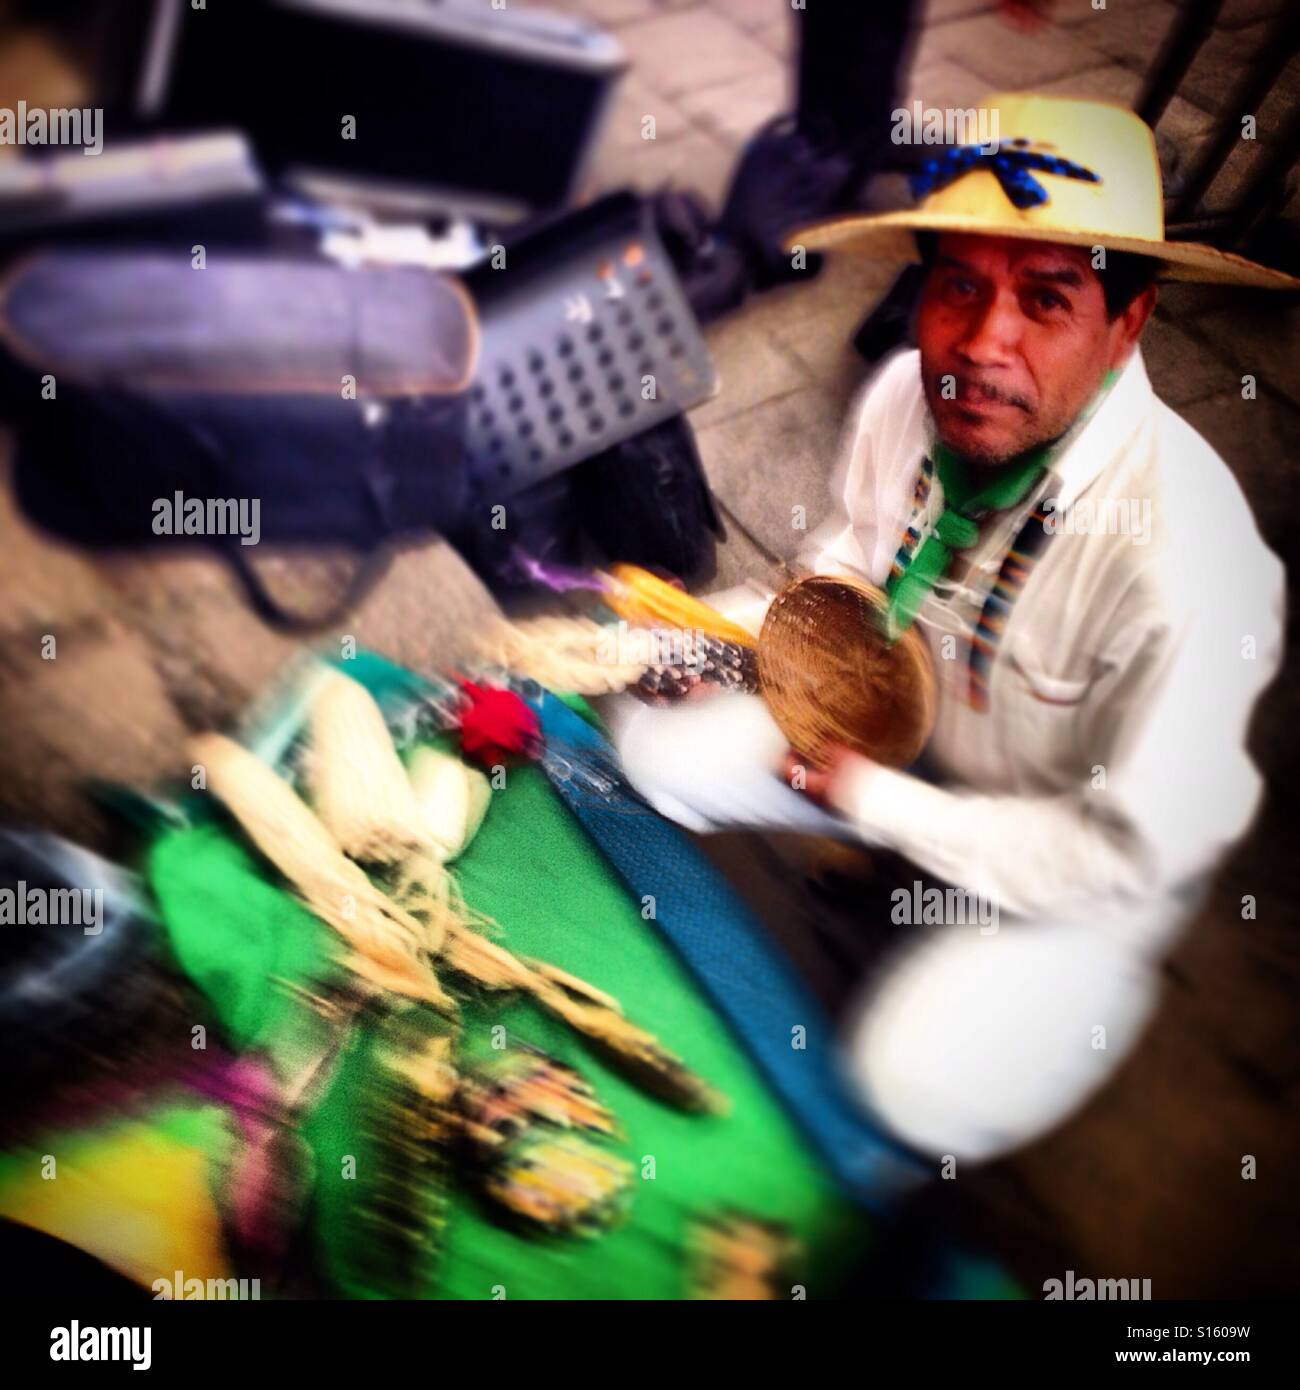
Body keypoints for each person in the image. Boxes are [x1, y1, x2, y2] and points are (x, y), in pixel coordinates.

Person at [609, 93, 1292, 1165]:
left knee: (911, 1088)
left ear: (1128, 322)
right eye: (957, 286)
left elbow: (1123, 852)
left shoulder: (1191, 564)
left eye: (1046, 299)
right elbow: (842, 575)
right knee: (657, 747)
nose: (981, 344)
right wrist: (708, 636)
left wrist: (876, 803)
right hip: (899, 741)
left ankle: (1027, 969)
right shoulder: (903, 398)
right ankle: (890, 870)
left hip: (1077, 864)